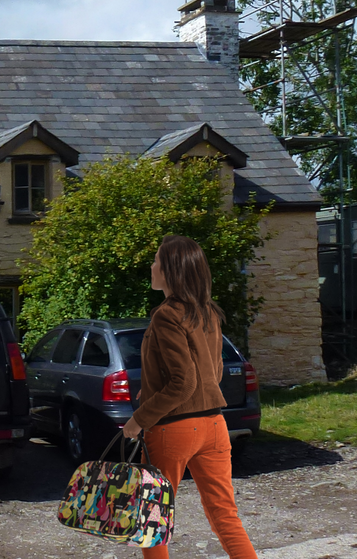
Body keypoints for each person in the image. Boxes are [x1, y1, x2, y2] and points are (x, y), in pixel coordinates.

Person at [122, 234, 257, 559]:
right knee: (225, 516)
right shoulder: (207, 313)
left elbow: (183, 383)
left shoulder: (166, 315)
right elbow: (212, 375)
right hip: (214, 426)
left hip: (174, 430)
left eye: (156, 260)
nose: (152, 266)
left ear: (170, 269)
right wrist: (151, 389)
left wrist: (138, 420)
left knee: (152, 519)